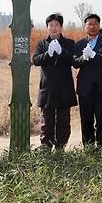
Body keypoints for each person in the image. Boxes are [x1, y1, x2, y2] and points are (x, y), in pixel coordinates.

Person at [32, 13, 77, 152]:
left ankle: (60, 148)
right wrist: (48, 53)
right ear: (47, 27)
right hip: (47, 88)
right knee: (47, 120)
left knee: (63, 121)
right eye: (51, 25)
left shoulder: (70, 43)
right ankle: (45, 147)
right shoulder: (41, 44)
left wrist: (61, 52)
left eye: (56, 25)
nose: (53, 28)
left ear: (61, 27)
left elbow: (73, 61)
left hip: (64, 88)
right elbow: (36, 60)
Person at [73, 14, 102, 147]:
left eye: (95, 23)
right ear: (85, 26)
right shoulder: (79, 44)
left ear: (99, 25)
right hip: (85, 88)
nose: (92, 26)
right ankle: (89, 150)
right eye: (89, 23)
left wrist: (94, 55)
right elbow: (75, 63)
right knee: (86, 121)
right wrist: (83, 58)